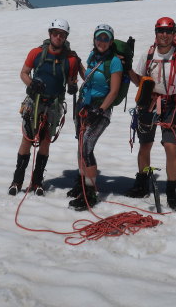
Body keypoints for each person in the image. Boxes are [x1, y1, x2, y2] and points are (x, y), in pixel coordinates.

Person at [126, 17, 176, 211]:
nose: (164, 35)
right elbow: (139, 81)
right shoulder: (148, 54)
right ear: (155, 33)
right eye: (160, 31)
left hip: (171, 106)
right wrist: (127, 68)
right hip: (148, 104)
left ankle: (172, 192)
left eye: (168, 31)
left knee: (170, 146)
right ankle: (142, 184)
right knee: (145, 145)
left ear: (173, 34)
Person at [9, 18, 80, 196]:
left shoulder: (71, 59)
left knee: (46, 140)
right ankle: (17, 180)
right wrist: (31, 84)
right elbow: (24, 72)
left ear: (65, 37)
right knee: (27, 138)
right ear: (50, 34)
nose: (58, 37)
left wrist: (73, 86)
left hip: (54, 104)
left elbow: (72, 80)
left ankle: (37, 181)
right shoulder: (36, 53)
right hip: (35, 102)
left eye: (62, 35)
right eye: (56, 33)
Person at [68, 23, 122, 211]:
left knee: (87, 147)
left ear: (111, 41)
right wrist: (78, 62)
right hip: (84, 105)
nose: (102, 41)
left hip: (100, 109)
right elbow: (88, 78)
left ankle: (90, 193)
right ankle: (82, 183)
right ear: (94, 39)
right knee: (81, 144)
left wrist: (100, 110)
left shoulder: (114, 61)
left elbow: (114, 91)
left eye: (106, 38)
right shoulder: (93, 56)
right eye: (99, 37)